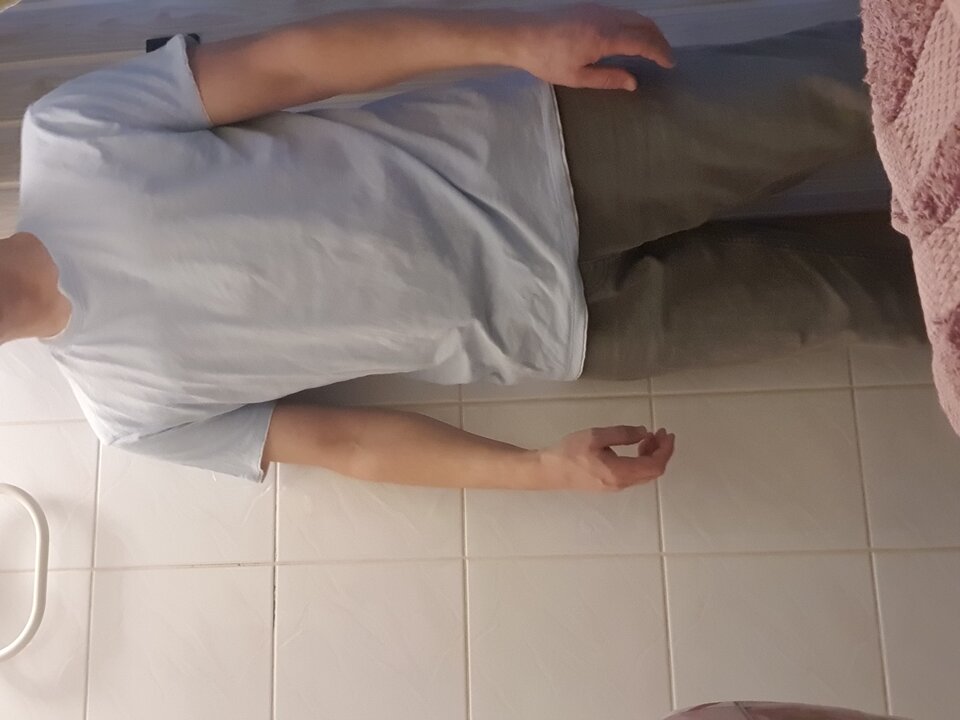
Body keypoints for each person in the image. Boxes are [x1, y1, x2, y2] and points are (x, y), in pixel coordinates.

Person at [0, 4, 924, 490]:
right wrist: (541, 473)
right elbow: (350, 445)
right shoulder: (129, 415)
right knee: (881, 302)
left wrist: (521, 37)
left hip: (560, 146)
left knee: (869, 84)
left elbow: (295, 62)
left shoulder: (70, 137)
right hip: (571, 330)